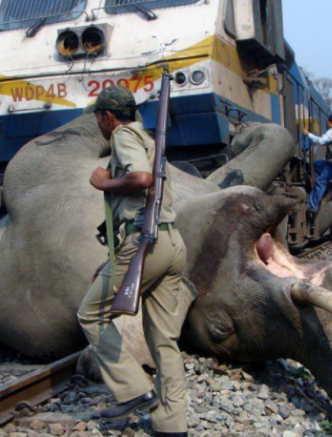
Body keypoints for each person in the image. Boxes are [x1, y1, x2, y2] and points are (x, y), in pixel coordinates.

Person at [77, 85, 190, 437]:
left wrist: (104, 182)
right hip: (171, 243)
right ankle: (172, 425)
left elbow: (140, 179)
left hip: (145, 244)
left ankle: (133, 387)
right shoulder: (149, 139)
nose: (98, 123)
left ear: (107, 116)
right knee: (164, 340)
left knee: (90, 314)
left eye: (98, 117)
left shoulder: (123, 135)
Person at [302, 114, 332, 213]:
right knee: (317, 164)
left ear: (331, 123)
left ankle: (312, 206)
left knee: (320, 182)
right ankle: (319, 188)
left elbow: (321, 141)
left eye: (326, 122)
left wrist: (307, 134)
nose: (325, 124)